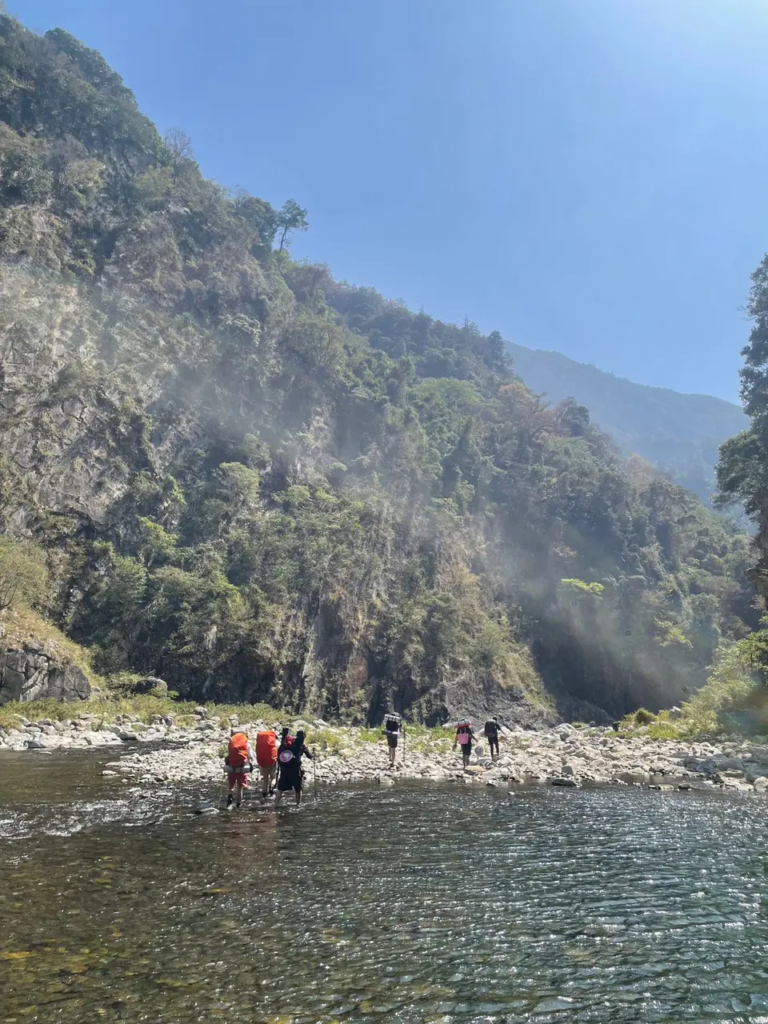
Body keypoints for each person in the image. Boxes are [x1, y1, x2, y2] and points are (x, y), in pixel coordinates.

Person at [274, 729, 314, 808]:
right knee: (298, 789)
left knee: (280, 789)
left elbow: (278, 756)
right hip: (296, 771)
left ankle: (275, 805)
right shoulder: (301, 746)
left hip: (284, 770)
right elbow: (310, 756)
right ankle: (298, 804)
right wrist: (313, 753)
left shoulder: (283, 745)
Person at [225, 729, 255, 809]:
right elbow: (251, 756)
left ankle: (230, 798)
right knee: (240, 787)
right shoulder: (246, 743)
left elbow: (229, 754)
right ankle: (238, 805)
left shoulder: (231, 742)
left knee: (231, 785)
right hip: (242, 767)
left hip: (232, 766)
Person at [255, 728, 279, 798]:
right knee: (273, 777)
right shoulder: (276, 742)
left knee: (265, 779)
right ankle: (271, 790)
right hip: (272, 762)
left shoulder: (260, 743)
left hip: (262, 762)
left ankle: (264, 793)